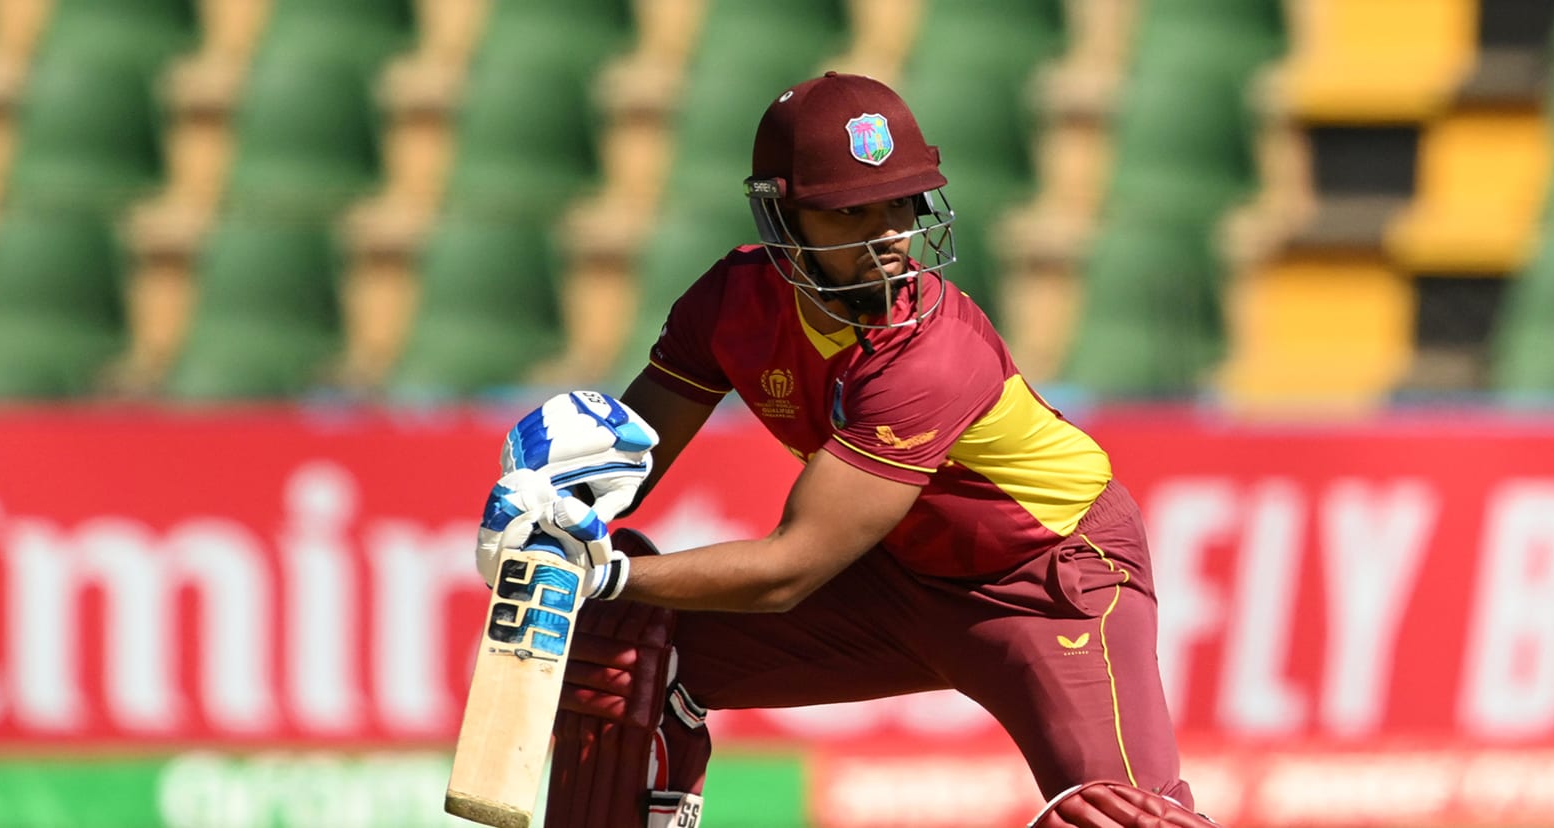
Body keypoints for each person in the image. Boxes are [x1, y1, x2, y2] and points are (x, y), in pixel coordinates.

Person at [474, 71, 1211, 828]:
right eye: (851, 211)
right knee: (629, 657)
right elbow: (632, 459)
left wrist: (599, 569)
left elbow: (789, 572)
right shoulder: (730, 303)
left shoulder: (933, 355)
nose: (889, 233)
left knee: (1121, 820)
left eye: (900, 203)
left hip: (1048, 581)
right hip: (899, 578)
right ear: (785, 220)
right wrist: (554, 511)